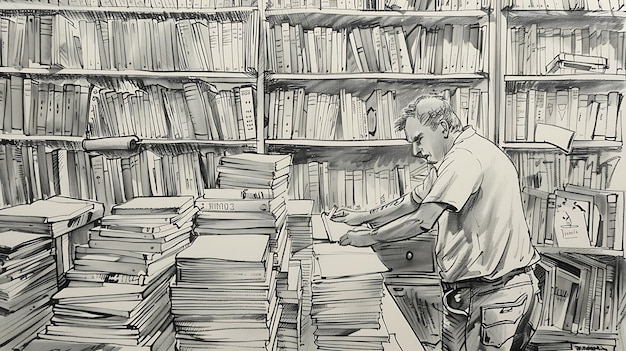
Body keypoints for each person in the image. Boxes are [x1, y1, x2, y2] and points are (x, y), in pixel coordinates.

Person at [331, 94, 543, 351]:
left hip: (493, 296)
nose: (415, 151)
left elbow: (423, 220)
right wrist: (363, 217)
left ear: (442, 127)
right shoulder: (458, 155)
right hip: (494, 292)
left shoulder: (463, 158)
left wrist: (369, 238)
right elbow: (411, 202)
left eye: (419, 139)